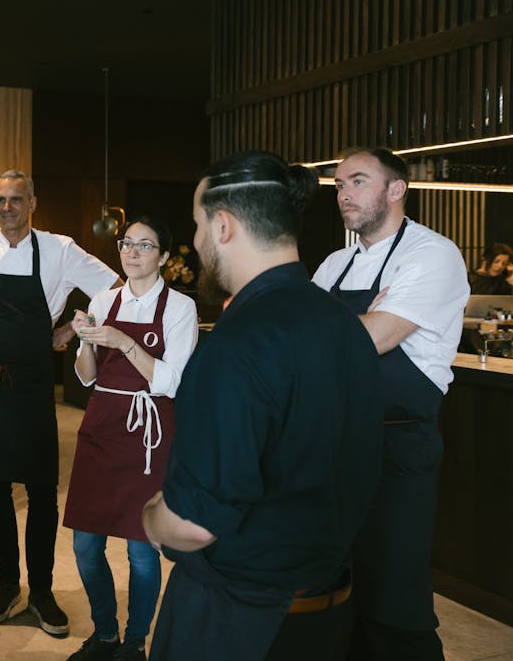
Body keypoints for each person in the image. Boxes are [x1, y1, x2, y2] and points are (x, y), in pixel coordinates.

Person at [142, 150, 383, 660]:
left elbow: (192, 525)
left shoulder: (236, 345)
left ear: (223, 225)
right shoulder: (345, 324)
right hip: (330, 610)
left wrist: (152, 516)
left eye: (198, 225)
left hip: (240, 619)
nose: (197, 241)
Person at [0, 169, 119, 637]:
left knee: (40, 489)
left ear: (33, 203)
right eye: (0, 200)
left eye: (16, 199)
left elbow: (114, 287)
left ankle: (41, 591)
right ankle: (7, 584)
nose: (6, 208)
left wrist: (71, 327)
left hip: (35, 379)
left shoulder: (60, 249)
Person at [311, 148, 470, 661]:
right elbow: (305, 339)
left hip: (398, 445)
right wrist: (351, 326)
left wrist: (339, 328)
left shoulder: (432, 254)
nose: (344, 194)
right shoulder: (335, 263)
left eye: (358, 181)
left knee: (395, 596)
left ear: (396, 189)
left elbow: (375, 338)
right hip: (336, 445)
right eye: (339, 185)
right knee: (340, 591)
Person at [63, 216, 197, 661]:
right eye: (126, 244)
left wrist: (123, 342)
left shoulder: (179, 308)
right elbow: (86, 377)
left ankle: (135, 641)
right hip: (102, 424)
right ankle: (104, 634)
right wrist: (86, 341)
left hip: (148, 433)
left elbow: (170, 382)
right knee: (86, 545)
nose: (132, 253)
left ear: (163, 256)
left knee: (141, 551)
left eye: (144, 245)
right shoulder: (104, 299)